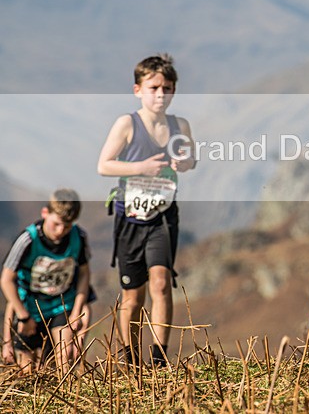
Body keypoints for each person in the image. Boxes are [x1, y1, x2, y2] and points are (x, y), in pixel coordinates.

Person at [97, 54, 195, 366]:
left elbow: (191, 159)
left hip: (163, 217)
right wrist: (141, 167)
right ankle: (130, 359)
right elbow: (104, 165)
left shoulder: (180, 125)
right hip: (130, 217)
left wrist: (184, 162)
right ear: (138, 90)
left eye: (167, 88)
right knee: (133, 295)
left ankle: (159, 359)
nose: (160, 95)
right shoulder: (127, 124)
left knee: (161, 283)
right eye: (153, 88)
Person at [0, 189, 90, 374]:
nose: (60, 231)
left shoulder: (78, 237)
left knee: (63, 360)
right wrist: (23, 316)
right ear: (45, 213)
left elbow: (84, 274)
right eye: (56, 224)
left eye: (67, 226)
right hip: (30, 308)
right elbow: (7, 280)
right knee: (27, 369)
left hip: (62, 305)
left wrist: (76, 312)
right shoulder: (27, 239)